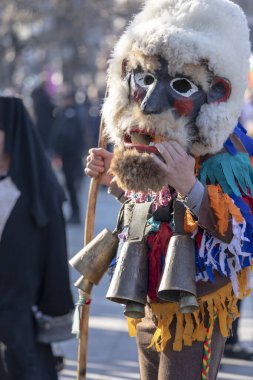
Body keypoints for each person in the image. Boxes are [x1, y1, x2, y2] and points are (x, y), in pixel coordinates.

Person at [82, 1, 253, 379]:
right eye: (143, 79)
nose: (152, 102)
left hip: (196, 309)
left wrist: (189, 185)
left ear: (217, 92)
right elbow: (148, 203)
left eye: (180, 84)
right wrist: (113, 181)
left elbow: (240, 237)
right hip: (148, 302)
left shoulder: (230, 154)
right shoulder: (151, 137)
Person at [0, 96, 74, 380]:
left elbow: (54, 260)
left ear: (12, 134)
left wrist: (54, 313)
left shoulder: (40, 195)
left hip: (21, 327)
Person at [52, 89, 85, 224]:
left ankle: (75, 214)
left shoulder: (71, 114)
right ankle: (74, 213)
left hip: (71, 157)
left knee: (72, 187)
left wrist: (60, 150)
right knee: (70, 187)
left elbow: (66, 136)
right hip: (69, 156)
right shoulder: (67, 113)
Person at [31, 81, 55, 152]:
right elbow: (50, 107)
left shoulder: (37, 97)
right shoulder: (44, 97)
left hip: (40, 122)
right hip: (46, 123)